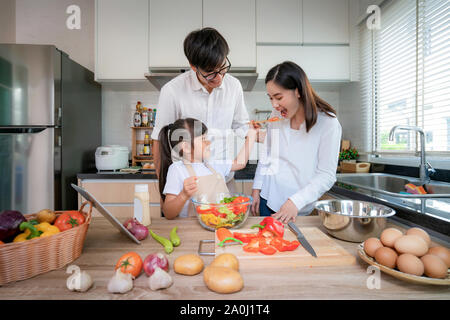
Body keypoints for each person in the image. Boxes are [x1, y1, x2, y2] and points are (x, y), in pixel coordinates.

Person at [151, 27, 251, 192]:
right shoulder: (172, 91)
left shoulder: (234, 86)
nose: (219, 77)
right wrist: (164, 192)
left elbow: (242, 125)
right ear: (193, 66)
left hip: (222, 182)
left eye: (222, 67)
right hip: (185, 186)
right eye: (210, 72)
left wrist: (259, 134)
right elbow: (159, 141)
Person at [251, 61, 342, 223]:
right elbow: (267, 153)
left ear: (298, 91)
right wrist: (257, 187)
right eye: (271, 98)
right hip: (268, 196)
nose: (274, 105)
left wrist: (296, 201)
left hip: (297, 207)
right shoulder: (277, 115)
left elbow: (326, 175)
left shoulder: (328, 123)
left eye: (278, 97)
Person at [158, 118, 257, 219]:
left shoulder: (213, 164)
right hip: (192, 230)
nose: (209, 142)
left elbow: (240, 163)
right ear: (186, 147)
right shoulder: (177, 170)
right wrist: (183, 195)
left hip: (221, 225)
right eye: (203, 140)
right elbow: (168, 213)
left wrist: (252, 135)